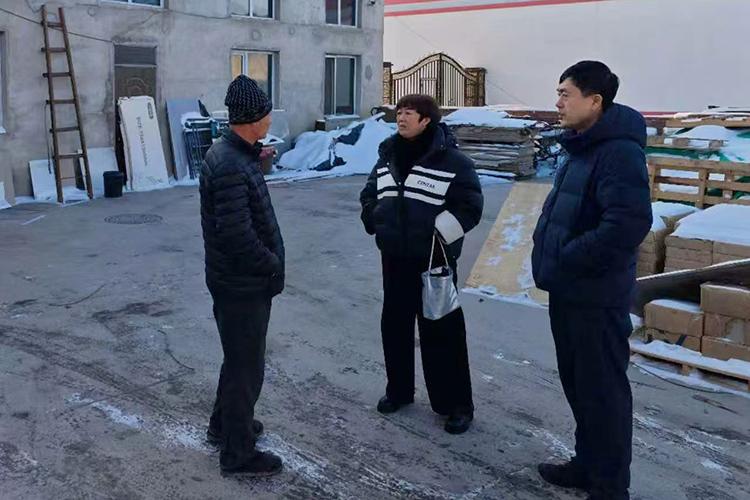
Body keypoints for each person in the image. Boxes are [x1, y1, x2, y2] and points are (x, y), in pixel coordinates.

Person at [531, 61, 652, 499]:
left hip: (595, 296)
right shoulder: (583, 146)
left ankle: (610, 486)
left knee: (603, 392)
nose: (558, 103)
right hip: (570, 290)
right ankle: (587, 465)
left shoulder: (618, 152)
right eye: (558, 93)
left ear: (595, 101)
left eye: (566, 94)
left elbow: (627, 224)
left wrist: (570, 255)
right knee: (580, 386)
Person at [359, 94, 483, 434]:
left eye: (408, 113)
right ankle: (399, 391)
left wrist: (439, 234)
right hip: (394, 258)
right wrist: (374, 217)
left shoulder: (454, 161)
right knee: (395, 328)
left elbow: (470, 206)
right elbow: (370, 192)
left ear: (426, 120)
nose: (401, 117)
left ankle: (455, 405)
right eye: (399, 112)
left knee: (442, 332)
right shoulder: (388, 155)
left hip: (433, 261)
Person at [199, 75, 285, 478]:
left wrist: (257, 158)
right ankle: (238, 453)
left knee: (237, 360)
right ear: (254, 118)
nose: (270, 118)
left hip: (233, 280)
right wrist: (270, 262)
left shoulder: (234, 153)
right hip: (242, 283)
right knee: (246, 368)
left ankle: (224, 425)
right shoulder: (232, 164)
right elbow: (237, 235)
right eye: (266, 112)